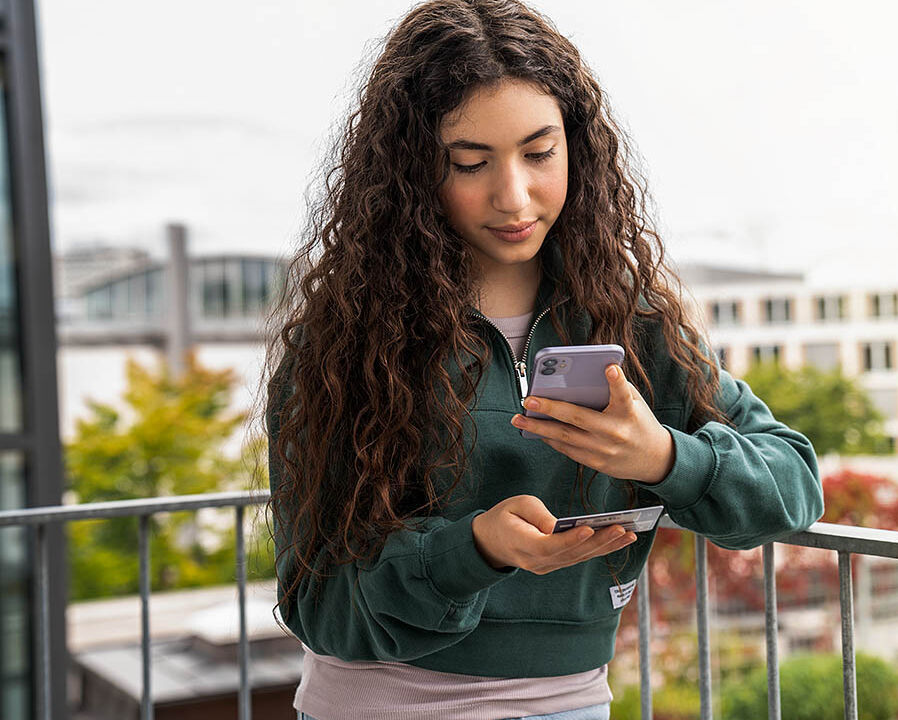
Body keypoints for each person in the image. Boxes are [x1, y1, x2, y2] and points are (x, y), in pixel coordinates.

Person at [263, 1, 824, 718]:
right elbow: (316, 601)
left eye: (539, 153)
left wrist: (662, 457)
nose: (514, 196)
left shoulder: (634, 322)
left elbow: (793, 483)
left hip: (574, 703)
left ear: (576, 147)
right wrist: (475, 551)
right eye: (470, 163)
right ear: (410, 172)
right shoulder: (347, 343)